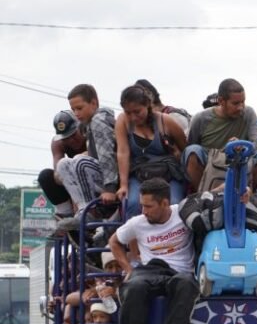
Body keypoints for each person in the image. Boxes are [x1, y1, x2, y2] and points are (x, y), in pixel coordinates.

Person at [108, 178, 198, 324]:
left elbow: (213, 193)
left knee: (187, 284)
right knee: (132, 287)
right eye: (142, 206)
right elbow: (114, 242)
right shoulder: (137, 223)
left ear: (165, 203)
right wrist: (129, 269)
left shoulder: (183, 213)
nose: (144, 211)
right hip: (150, 270)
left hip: (179, 272)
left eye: (148, 206)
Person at [115, 85, 188, 218]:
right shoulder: (123, 122)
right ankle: (135, 238)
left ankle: (172, 237)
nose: (133, 117)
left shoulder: (165, 121)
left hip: (168, 174)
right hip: (140, 175)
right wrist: (123, 185)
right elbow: (123, 152)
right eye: (128, 112)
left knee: (173, 205)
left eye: (137, 111)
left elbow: (185, 149)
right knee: (132, 204)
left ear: (148, 105)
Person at [183, 78, 257, 192]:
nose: (241, 107)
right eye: (235, 103)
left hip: (239, 160)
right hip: (210, 164)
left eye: (243, 102)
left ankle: (247, 195)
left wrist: (242, 146)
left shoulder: (248, 113)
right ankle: (202, 197)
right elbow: (189, 148)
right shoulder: (201, 118)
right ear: (221, 101)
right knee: (192, 151)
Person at [56, 84, 118, 230]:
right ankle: (82, 209)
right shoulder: (88, 124)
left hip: (114, 178)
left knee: (80, 162)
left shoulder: (99, 121)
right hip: (102, 174)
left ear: (94, 103)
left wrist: (110, 189)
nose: (76, 113)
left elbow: (107, 156)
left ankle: (90, 211)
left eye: (80, 108)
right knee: (63, 164)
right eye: (73, 109)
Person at [38, 110, 88, 219]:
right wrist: (73, 192)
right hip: (73, 183)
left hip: (94, 179)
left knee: (79, 162)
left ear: (80, 127)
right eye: (66, 138)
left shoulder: (91, 133)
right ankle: (65, 213)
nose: (71, 140)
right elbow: (58, 175)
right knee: (45, 176)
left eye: (74, 135)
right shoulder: (57, 143)